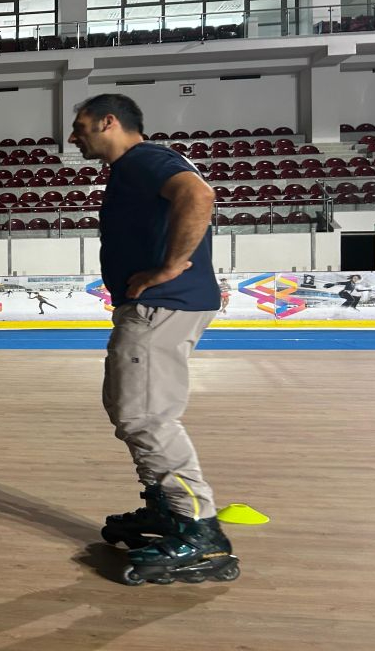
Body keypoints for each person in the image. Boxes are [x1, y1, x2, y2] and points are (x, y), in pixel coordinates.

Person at [67, 93, 238, 585]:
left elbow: (198, 196)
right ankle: (168, 510)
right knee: (132, 408)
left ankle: (199, 530)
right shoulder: (142, 165)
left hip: (162, 307)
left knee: (145, 416)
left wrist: (167, 268)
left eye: (81, 126)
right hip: (166, 307)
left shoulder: (143, 160)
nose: (74, 136)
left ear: (109, 122)